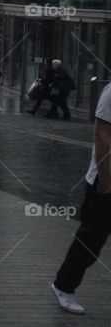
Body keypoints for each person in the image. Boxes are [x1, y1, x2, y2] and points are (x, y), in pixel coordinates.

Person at [51, 83, 111, 314]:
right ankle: (63, 286)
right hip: (105, 180)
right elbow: (101, 134)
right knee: (91, 240)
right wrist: (105, 180)